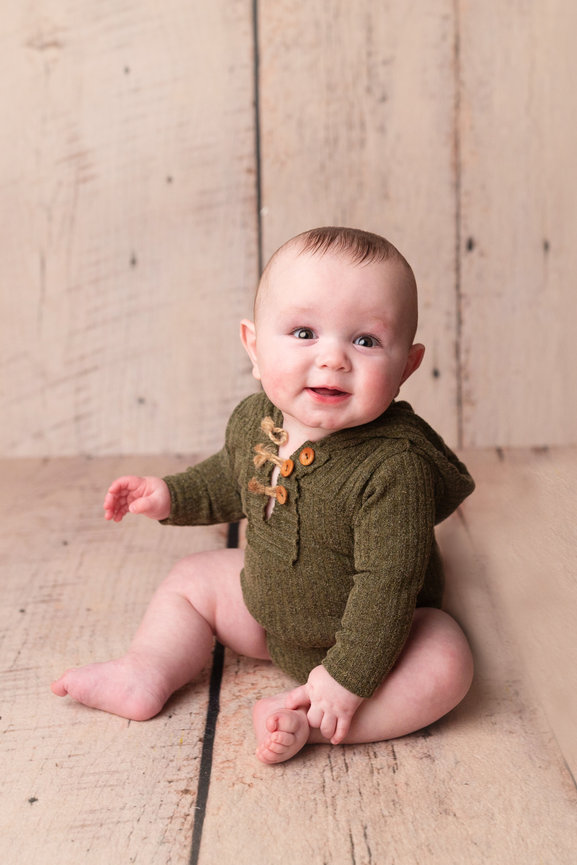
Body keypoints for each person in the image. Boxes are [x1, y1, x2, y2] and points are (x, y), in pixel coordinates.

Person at [52, 226, 475, 764]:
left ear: (406, 367)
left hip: (382, 645)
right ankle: (145, 670)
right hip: (269, 615)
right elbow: (232, 478)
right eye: (304, 332)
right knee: (193, 578)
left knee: (447, 659)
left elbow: (388, 587)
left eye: (365, 341)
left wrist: (347, 679)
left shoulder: (394, 467)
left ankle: (312, 722)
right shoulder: (257, 419)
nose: (333, 358)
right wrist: (170, 495)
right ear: (254, 346)